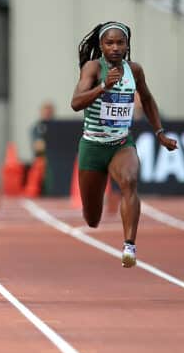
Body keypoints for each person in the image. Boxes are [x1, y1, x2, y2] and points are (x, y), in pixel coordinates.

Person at [70, 21, 178, 268]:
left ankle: (129, 245)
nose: (116, 47)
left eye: (120, 43)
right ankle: (94, 214)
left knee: (129, 181)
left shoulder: (135, 70)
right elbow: (76, 103)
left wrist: (160, 132)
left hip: (120, 142)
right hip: (92, 146)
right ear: (101, 46)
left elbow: (148, 100)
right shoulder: (93, 68)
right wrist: (103, 86)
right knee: (92, 217)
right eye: (110, 43)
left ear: (128, 45)